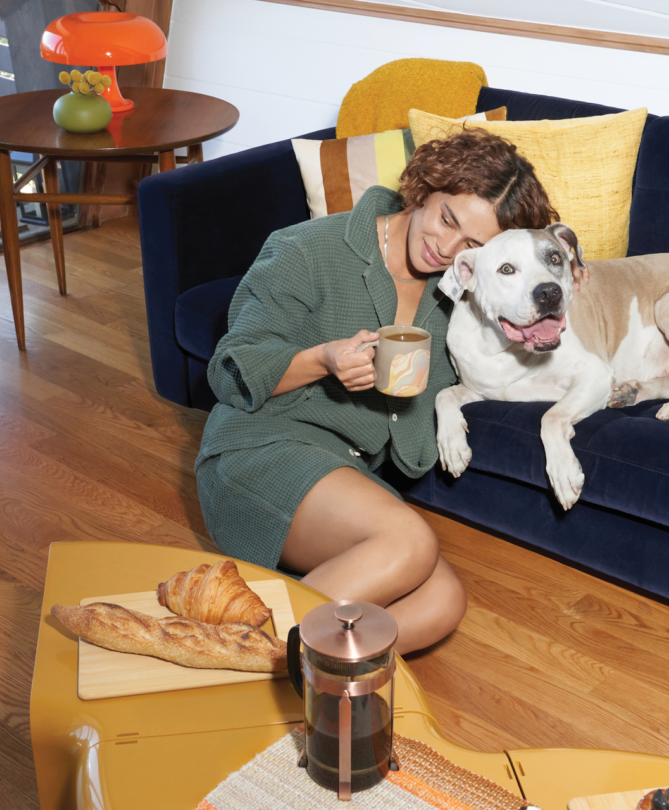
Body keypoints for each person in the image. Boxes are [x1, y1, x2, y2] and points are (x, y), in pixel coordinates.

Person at [196, 128, 582, 655]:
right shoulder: (306, 249)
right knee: (411, 540)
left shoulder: (464, 297)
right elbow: (228, 370)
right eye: (446, 218)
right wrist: (323, 360)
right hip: (261, 447)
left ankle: (298, 675)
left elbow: (535, 327)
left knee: (442, 601)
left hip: (347, 476)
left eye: (471, 244)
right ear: (425, 189)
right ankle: (225, 658)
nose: (446, 247)